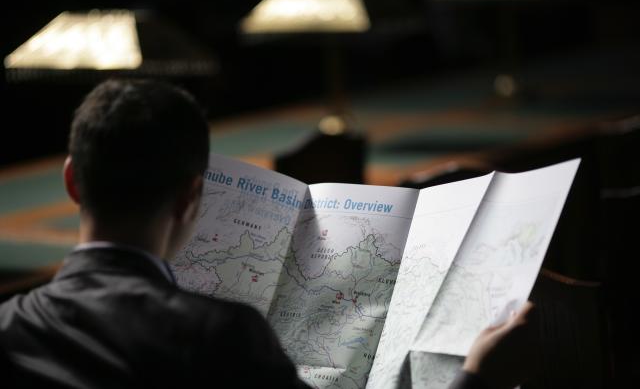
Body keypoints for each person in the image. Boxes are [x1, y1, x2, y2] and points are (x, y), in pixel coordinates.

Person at [0, 79, 537, 388]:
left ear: (73, 180)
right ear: (192, 195)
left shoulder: (10, 326)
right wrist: (475, 375)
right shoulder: (220, 337)